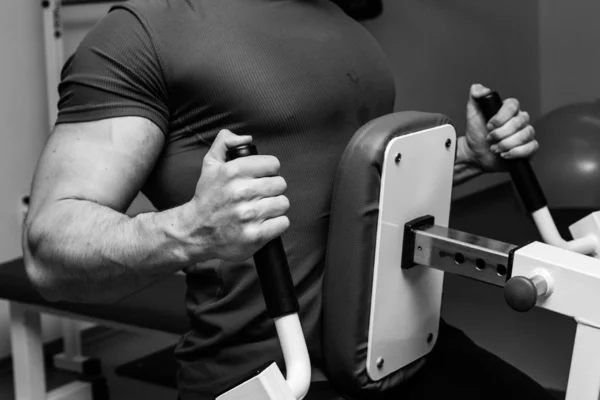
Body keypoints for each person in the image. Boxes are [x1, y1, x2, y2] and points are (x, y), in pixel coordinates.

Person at [22, 1, 551, 399]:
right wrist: (189, 231)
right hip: (276, 377)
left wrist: (464, 156)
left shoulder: (341, 20)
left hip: (402, 346)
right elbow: (49, 250)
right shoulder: (142, 32)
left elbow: (350, 186)